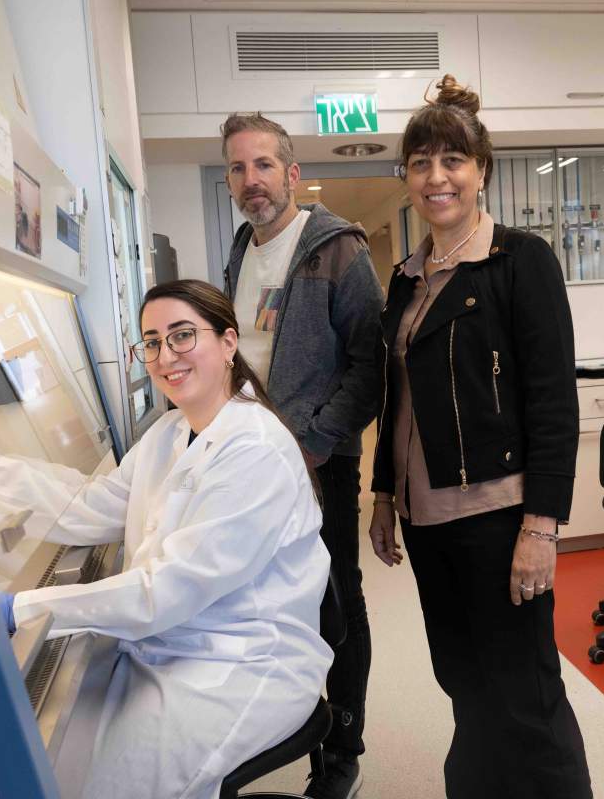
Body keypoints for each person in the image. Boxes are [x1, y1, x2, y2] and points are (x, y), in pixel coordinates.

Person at [0, 280, 333, 799]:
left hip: (240, 662)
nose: (164, 356)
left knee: (109, 781)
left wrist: (22, 607)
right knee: (74, 751)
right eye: (151, 342)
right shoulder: (171, 432)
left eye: (181, 336)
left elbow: (165, 590)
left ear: (227, 343)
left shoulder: (256, 449)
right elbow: (91, 504)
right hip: (175, 645)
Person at [366, 75, 593, 798]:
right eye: (421, 162)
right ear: (406, 177)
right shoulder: (405, 279)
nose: (437, 177)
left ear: (481, 170)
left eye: (452, 161)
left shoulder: (518, 262)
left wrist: (542, 528)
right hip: (427, 521)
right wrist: (379, 492)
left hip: (499, 518)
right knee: (463, 683)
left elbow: (554, 401)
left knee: (525, 695)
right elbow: (395, 398)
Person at [221, 112, 383, 798]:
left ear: (291, 173)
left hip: (319, 463)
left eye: (263, 166)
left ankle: (343, 745)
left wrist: (314, 440)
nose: (251, 181)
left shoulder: (339, 250)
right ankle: (281, 723)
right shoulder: (239, 249)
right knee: (268, 598)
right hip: (250, 465)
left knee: (337, 598)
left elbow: (370, 366)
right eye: (237, 168)